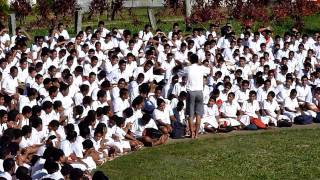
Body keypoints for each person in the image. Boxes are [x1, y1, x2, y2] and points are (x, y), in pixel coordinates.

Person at [183, 54, 208, 138]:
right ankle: (196, 134)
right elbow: (209, 70)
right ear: (197, 60)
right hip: (199, 91)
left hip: (191, 92)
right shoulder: (201, 68)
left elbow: (180, 72)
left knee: (190, 114)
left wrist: (186, 64)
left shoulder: (188, 68)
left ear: (190, 60)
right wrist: (201, 64)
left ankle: (192, 133)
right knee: (198, 114)